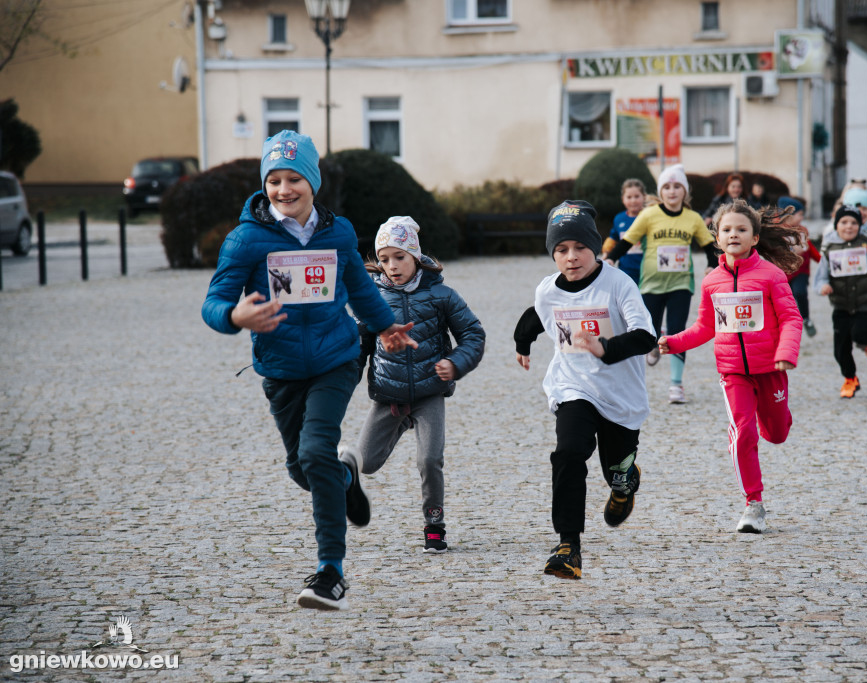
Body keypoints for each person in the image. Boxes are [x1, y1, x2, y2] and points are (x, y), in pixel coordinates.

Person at [201, 130, 417, 610]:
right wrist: (236, 317)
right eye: (274, 180)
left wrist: (384, 328)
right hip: (279, 370)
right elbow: (213, 302)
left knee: (315, 449)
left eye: (294, 178)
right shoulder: (247, 240)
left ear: (312, 182)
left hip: (335, 360)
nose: (283, 189)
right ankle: (344, 479)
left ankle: (330, 574)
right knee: (305, 469)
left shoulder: (337, 232)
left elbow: (359, 288)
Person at [514, 200, 656, 579]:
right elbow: (536, 317)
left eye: (580, 247)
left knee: (615, 468)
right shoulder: (548, 290)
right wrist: (522, 343)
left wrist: (606, 348)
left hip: (620, 392)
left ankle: (623, 482)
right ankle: (568, 546)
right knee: (569, 453)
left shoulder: (618, 283)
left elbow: (646, 337)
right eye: (561, 250)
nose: (571, 257)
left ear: (596, 247)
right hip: (573, 384)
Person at [658, 199, 803, 534]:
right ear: (717, 238)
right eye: (727, 230)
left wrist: (786, 354)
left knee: (777, 433)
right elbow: (705, 328)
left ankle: (769, 421)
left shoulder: (771, 275)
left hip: (771, 368)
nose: (733, 234)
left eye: (741, 229)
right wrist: (675, 342)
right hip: (732, 371)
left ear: (754, 238)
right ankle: (753, 504)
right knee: (743, 432)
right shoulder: (711, 281)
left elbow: (792, 319)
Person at [346, 216, 485, 554]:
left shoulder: (442, 295)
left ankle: (434, 524)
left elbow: (473, 335)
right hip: (388, 396)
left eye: (399, 257)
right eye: (384, 259)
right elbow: (357, 349)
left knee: (429, 460)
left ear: (416, 257)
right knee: (366, 463)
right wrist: (340, 384)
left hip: (428, 394)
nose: (391, 266)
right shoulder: (370, 300)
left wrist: (454, 363)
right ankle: (346, 465)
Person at [606, 164, 717, 403]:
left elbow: (709, 246)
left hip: (680, 285)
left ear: (684, 192)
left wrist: (712, 264)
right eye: (667, 187)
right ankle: (654, 345)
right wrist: (611, 258)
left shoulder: (693, 218)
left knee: (678, 332)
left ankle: (676, 385)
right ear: (661, 191)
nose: (672, 191)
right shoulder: (649, 215)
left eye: (677, 186)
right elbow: (627, 241)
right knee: (649, 332)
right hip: (651, 285)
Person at [814, 205, 867, 399]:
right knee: (840, 348)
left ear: (860, 225)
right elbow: (821, 275)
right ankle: (850, 378)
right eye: (844, 222)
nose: (849, 227)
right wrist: (823, 287)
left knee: (860, 332)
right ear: (836, 225)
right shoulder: (830, 247)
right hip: (841, 302)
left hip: (865, 299)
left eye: (853, 223)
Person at [778, 197, 820, 337]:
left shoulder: (802, 230)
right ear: (788, 215)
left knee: (800, 292)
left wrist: (822, 260)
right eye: (800, 214)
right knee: (784, 299)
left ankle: (806, 319)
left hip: (801, 270)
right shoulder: (777, 232)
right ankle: (786, 325)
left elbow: (809, 249)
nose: (802, 217)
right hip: (783, 272)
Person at [600, 178, 647, 285]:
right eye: (629, 197)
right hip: (626, 270)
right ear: (623, 199)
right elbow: (613, 238)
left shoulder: (648, 217)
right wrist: (607, 252)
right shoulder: (619, 219)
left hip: (646, 270)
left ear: (644, 197)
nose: (633, 200)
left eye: (637, 196)